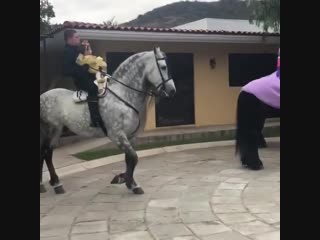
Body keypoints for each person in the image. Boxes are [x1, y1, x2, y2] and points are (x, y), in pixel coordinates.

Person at [62, 29, 104, 128]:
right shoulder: (67, 52)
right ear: (69, 39)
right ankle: (95, 119)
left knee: (104, 84)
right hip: (81, 80)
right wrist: (84, 67)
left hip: (89, 76)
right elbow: (66, 71)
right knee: (93, 88)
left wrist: (87, 47)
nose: (79, 39)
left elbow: (86, 57)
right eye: (76, 37)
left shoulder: (76, 50)